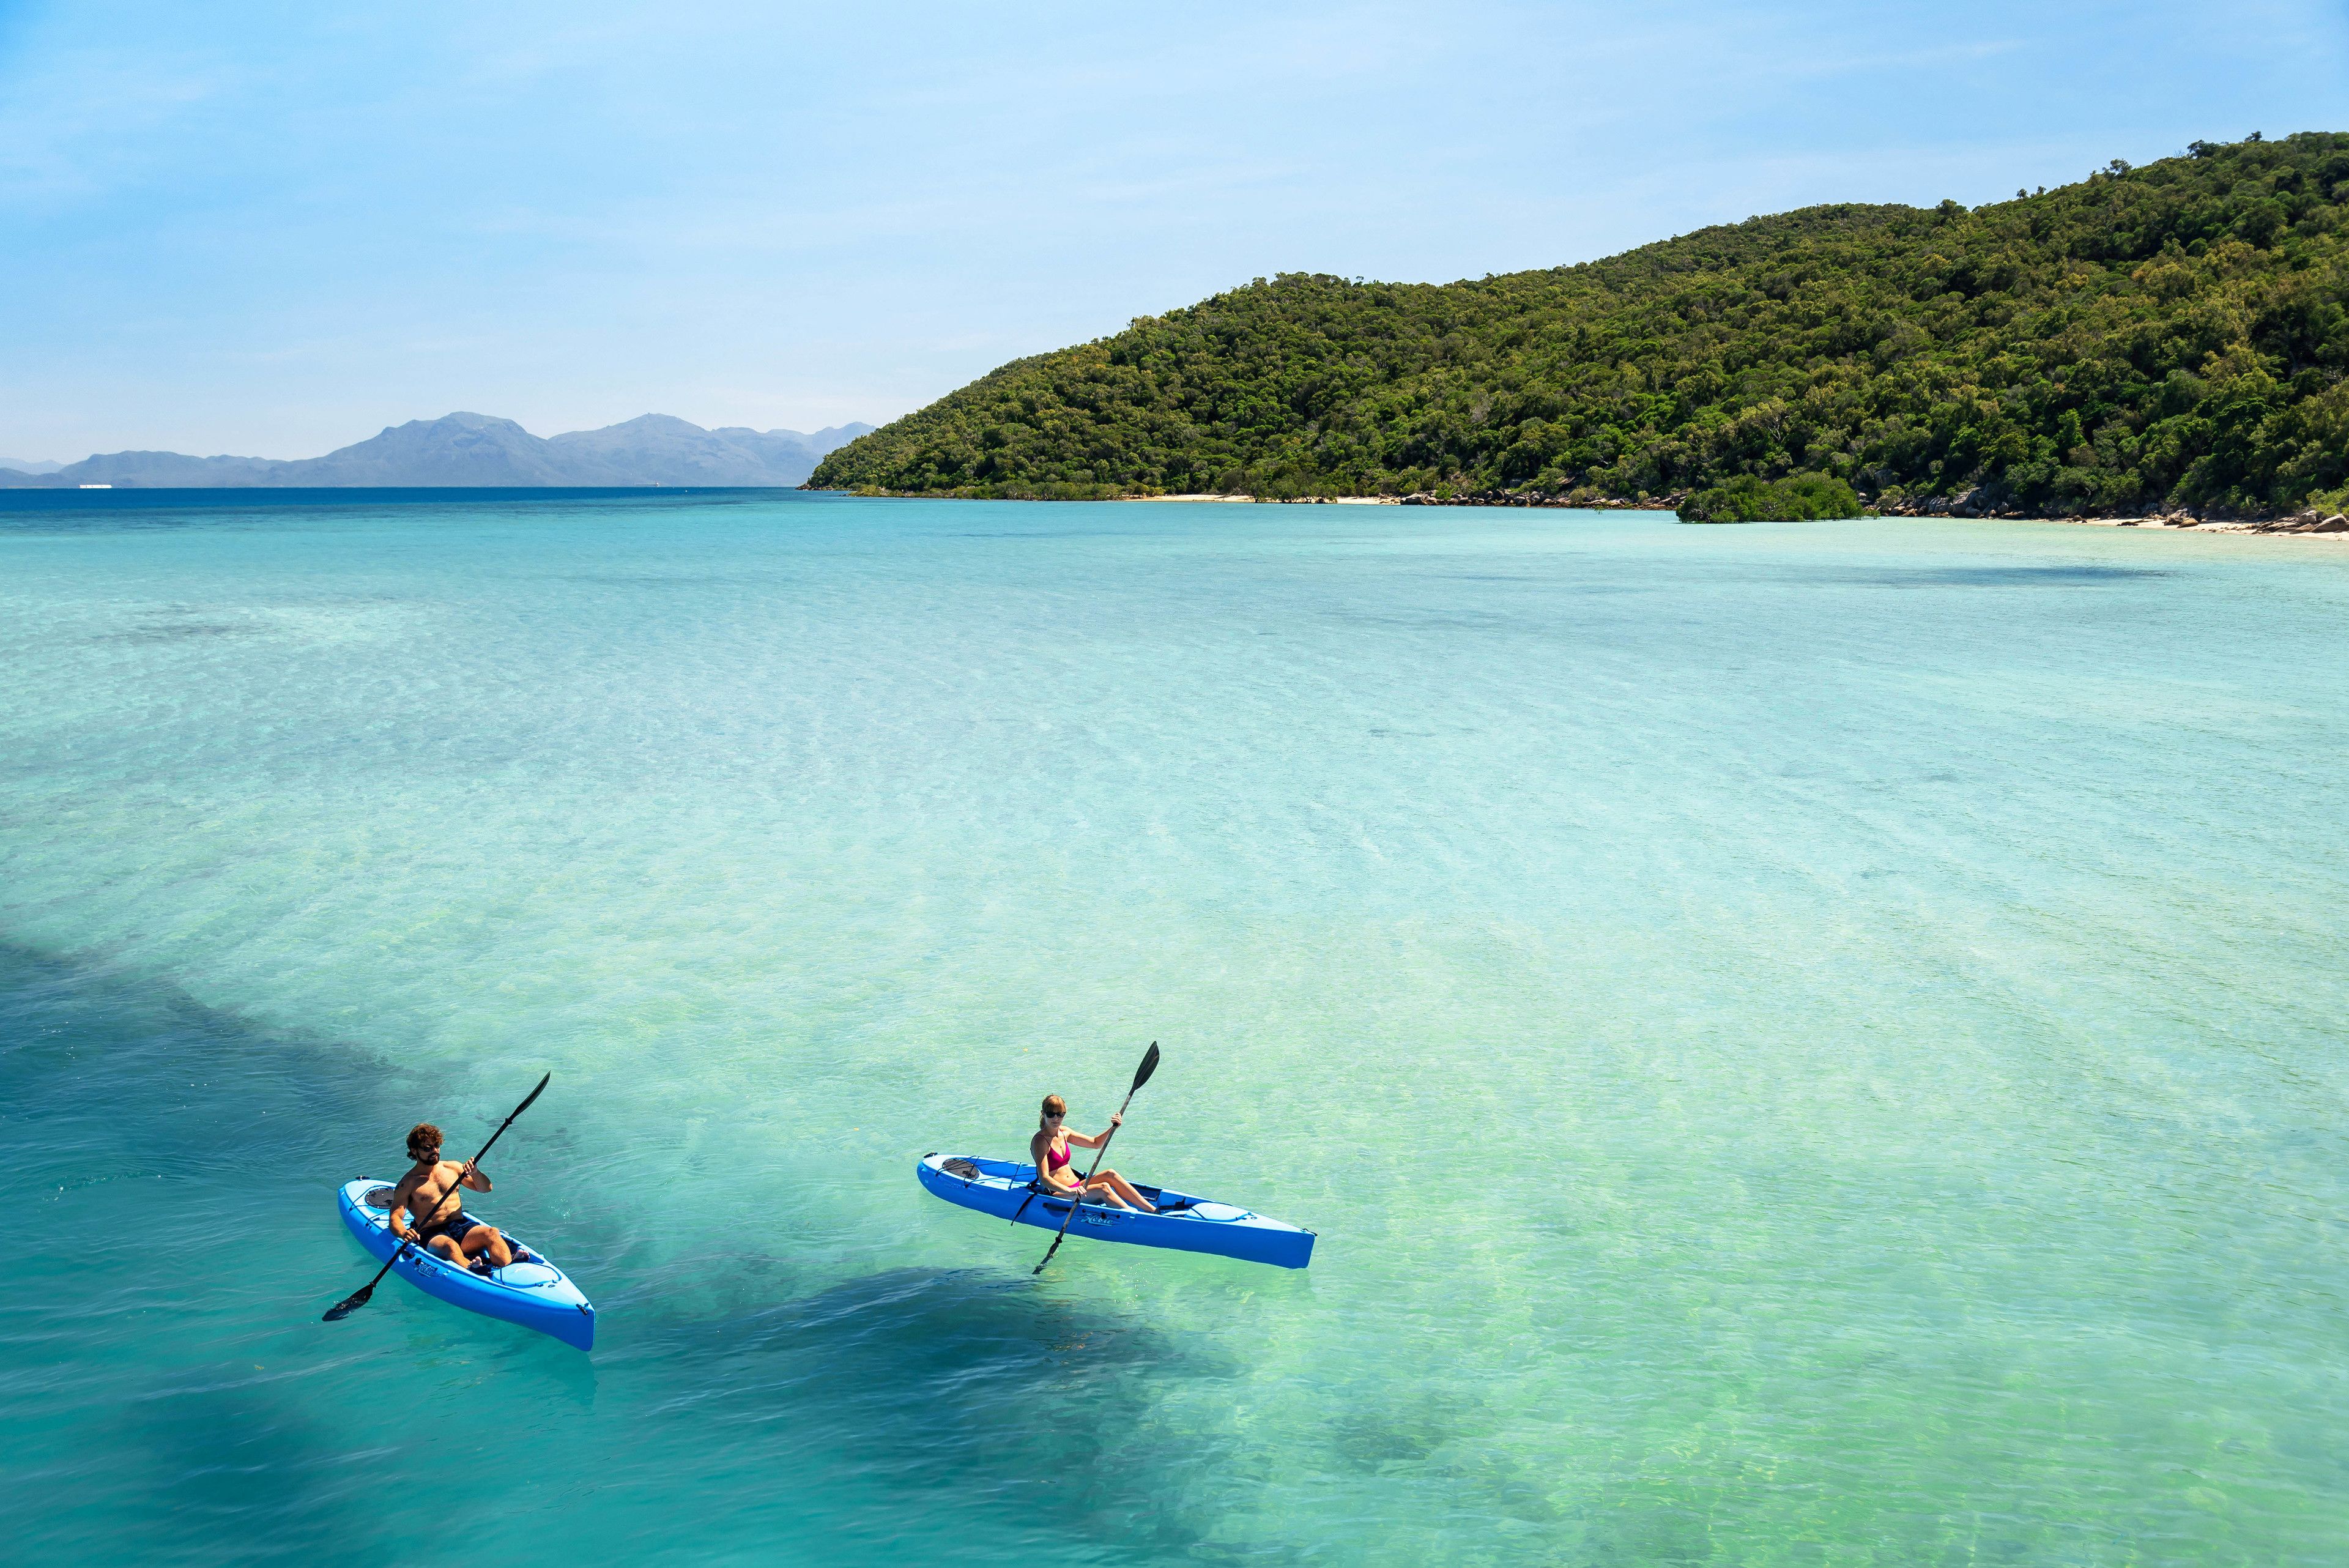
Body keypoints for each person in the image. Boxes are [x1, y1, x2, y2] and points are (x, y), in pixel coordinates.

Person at [386, 1122, 515, 1274]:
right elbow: (395, 1217)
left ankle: (508, 1269)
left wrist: (476, 1173)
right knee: (451, 1247)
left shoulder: (453, 1168)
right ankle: (474, 1271)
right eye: (427, 1148)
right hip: (431, 1233)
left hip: (460, 1225)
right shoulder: (408, 1183)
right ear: (414, 1151)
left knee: (492, 1233)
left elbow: (486, 1189)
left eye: (437, 1146)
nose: (434, 1151)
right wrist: (404, 1233)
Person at [1030, 1094, 1156, 1211]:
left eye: (1060, 1114)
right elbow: (1044, 1179)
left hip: (1078, 1186)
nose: (1056, 1118)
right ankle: (1133, 1216)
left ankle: (1152, 1210)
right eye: (1051, 1114)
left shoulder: (1065, 1132)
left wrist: (1113, 1127)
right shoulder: (1040, 1141)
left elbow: (1096, 1143)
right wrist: (1070, 1191)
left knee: (1110, 1174)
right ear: (1043, 1114)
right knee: (1103, 1188)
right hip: (1060, 1193)